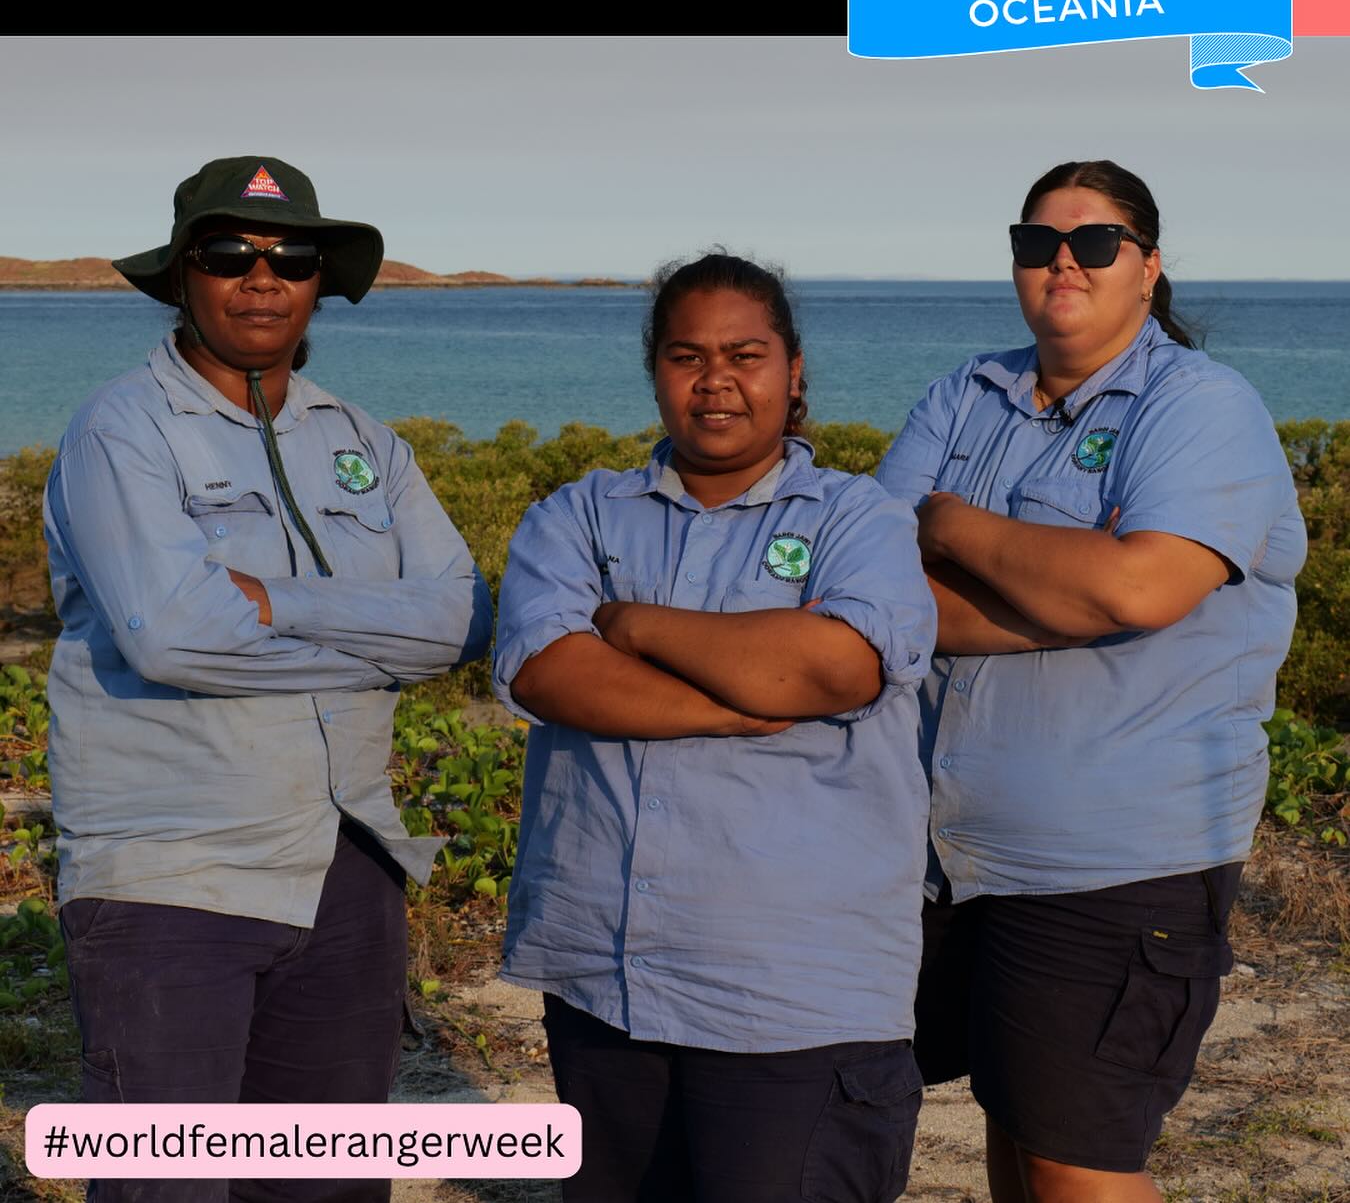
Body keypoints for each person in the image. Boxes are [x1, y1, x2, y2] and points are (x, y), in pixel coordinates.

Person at [44, 155, 493, 1203]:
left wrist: (277, 601)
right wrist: (385, 633)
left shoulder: (364, 444)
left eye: (290, 256)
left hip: (346, 862)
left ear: (318, 280)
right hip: (172, 875)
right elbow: (173, 641)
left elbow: (466, 615)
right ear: (183, 276)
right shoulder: (121, 429)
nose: (262, 277)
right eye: (229, 254)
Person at [875, 160, 1306, 1203]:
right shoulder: (963, 392)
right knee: (1018, 1134)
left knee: (1079, 1163)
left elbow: (1141, 587)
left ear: (1148, 268)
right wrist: (1072, 590)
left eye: (1095, 241)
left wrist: (952, 524)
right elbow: (872, 593)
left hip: (1118, 857)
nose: (1061, 261)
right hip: (955, 854)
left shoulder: (1203, 406)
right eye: (1037, 242)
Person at [492, 252, 938, 1203]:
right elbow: (548, 669)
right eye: (688, 355)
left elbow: (835, 663)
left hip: (794, 998)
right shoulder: (578, 514)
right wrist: (740, 696)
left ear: (795, 370)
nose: (717, 379)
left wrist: (637, 623)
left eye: (746, 353)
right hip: (604, 980)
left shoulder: (860, 520)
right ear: (655, 369)